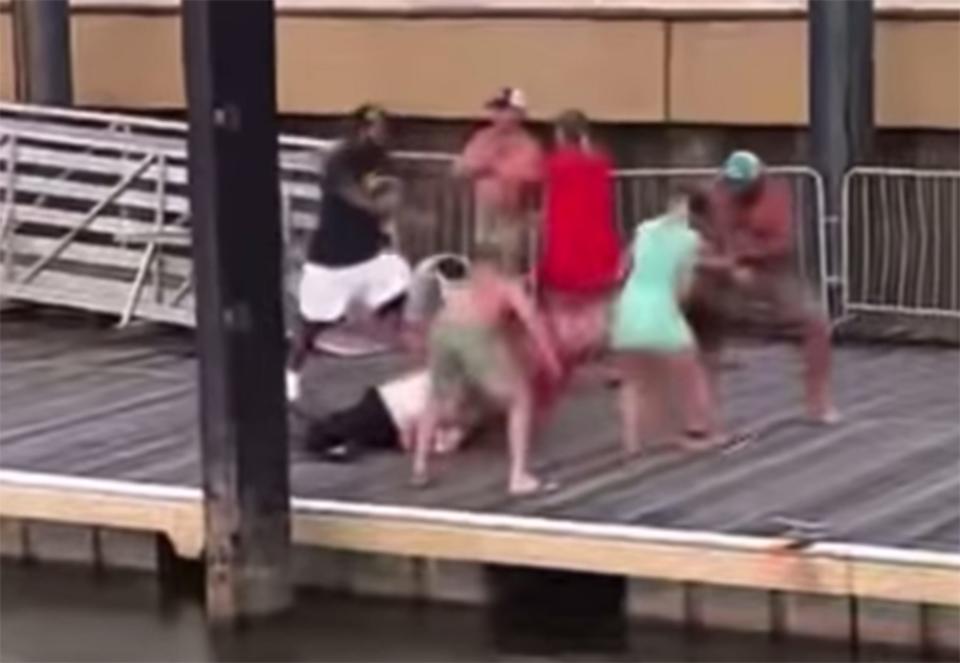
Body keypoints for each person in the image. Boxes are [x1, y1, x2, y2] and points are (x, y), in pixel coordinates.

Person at [286, 104, 412, 401]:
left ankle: (377, 335)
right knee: (312, 324)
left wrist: (392, 212)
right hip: (331, 256)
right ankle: (291, 374)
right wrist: (381, 203)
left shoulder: (383, 161)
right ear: (363, 129)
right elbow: (362, 200)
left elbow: (394, 197)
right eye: (379, 127)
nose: (385, 134)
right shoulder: (341, 161)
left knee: (401, 277)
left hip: (366, 253)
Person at [411, 252, 562, 496]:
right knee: (519, 399)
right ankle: (519, 476)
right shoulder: (509, 284)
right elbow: (533, 321)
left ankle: (419, 466)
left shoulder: (470, 278)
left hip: (442, 329)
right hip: (475, 334)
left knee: (435, 398)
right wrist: (551, 357)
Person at [707, 150, 836, 423]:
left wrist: (745, 254)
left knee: (815, 323)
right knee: (694, 321)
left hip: (771, 270)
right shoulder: (719, 193)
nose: (736, 191)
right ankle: (700, 411)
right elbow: (715, 234)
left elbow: (782, 244)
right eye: (732, 184)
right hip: (724, 267)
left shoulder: (775, 195)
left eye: (743, 185)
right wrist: (730, 261)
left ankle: (818, 399)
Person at [610, 186, 728, 455]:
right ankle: (708, 430)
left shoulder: (643, 229)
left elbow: (621, 268)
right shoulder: (691, 240)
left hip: (629, 305)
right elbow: (683, 285)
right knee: (693, 373)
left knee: (633, 380)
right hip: (660, 306)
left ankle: (632, 442)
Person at [538, 110, 623, 377]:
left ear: (561, 135)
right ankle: (606, 360)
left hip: (565, 240)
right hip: (598, 240)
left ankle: (562, 357)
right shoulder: (600, 162)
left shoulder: (554, 164)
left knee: (559, 304)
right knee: (600, 305)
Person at [454, 87, 543, 274]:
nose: (497, 114)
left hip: (512, 217)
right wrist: (488, 165)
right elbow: (462, 167)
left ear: (518, 113)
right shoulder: (483, 138)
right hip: (483, 216)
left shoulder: (527, 143)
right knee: (484, 259)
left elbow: (530, 175)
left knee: (509, 261)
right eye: (496, 109)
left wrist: (494, 168)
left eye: (504, 109)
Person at [304, 370, 477, 462]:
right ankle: (322, 437)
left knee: (354, 427)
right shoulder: (450, 391)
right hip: (389, 409)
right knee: (350, 425)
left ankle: (328, 438)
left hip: (391, 409)